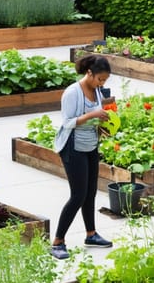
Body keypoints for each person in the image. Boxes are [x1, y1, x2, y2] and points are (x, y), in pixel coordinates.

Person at [49, 55, 114, 260]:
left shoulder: (96, 91)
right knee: (78, 194)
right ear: (89, 73)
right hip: (72, 146)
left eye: (105, 80)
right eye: (100, 79)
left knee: (91, 192)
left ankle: (91, 234)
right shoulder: (72, 93)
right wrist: (93, 116)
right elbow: (67, 122)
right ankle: (58, 241)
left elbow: (96, 116)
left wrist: (104, 126)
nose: (102, 83)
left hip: (90, 145)